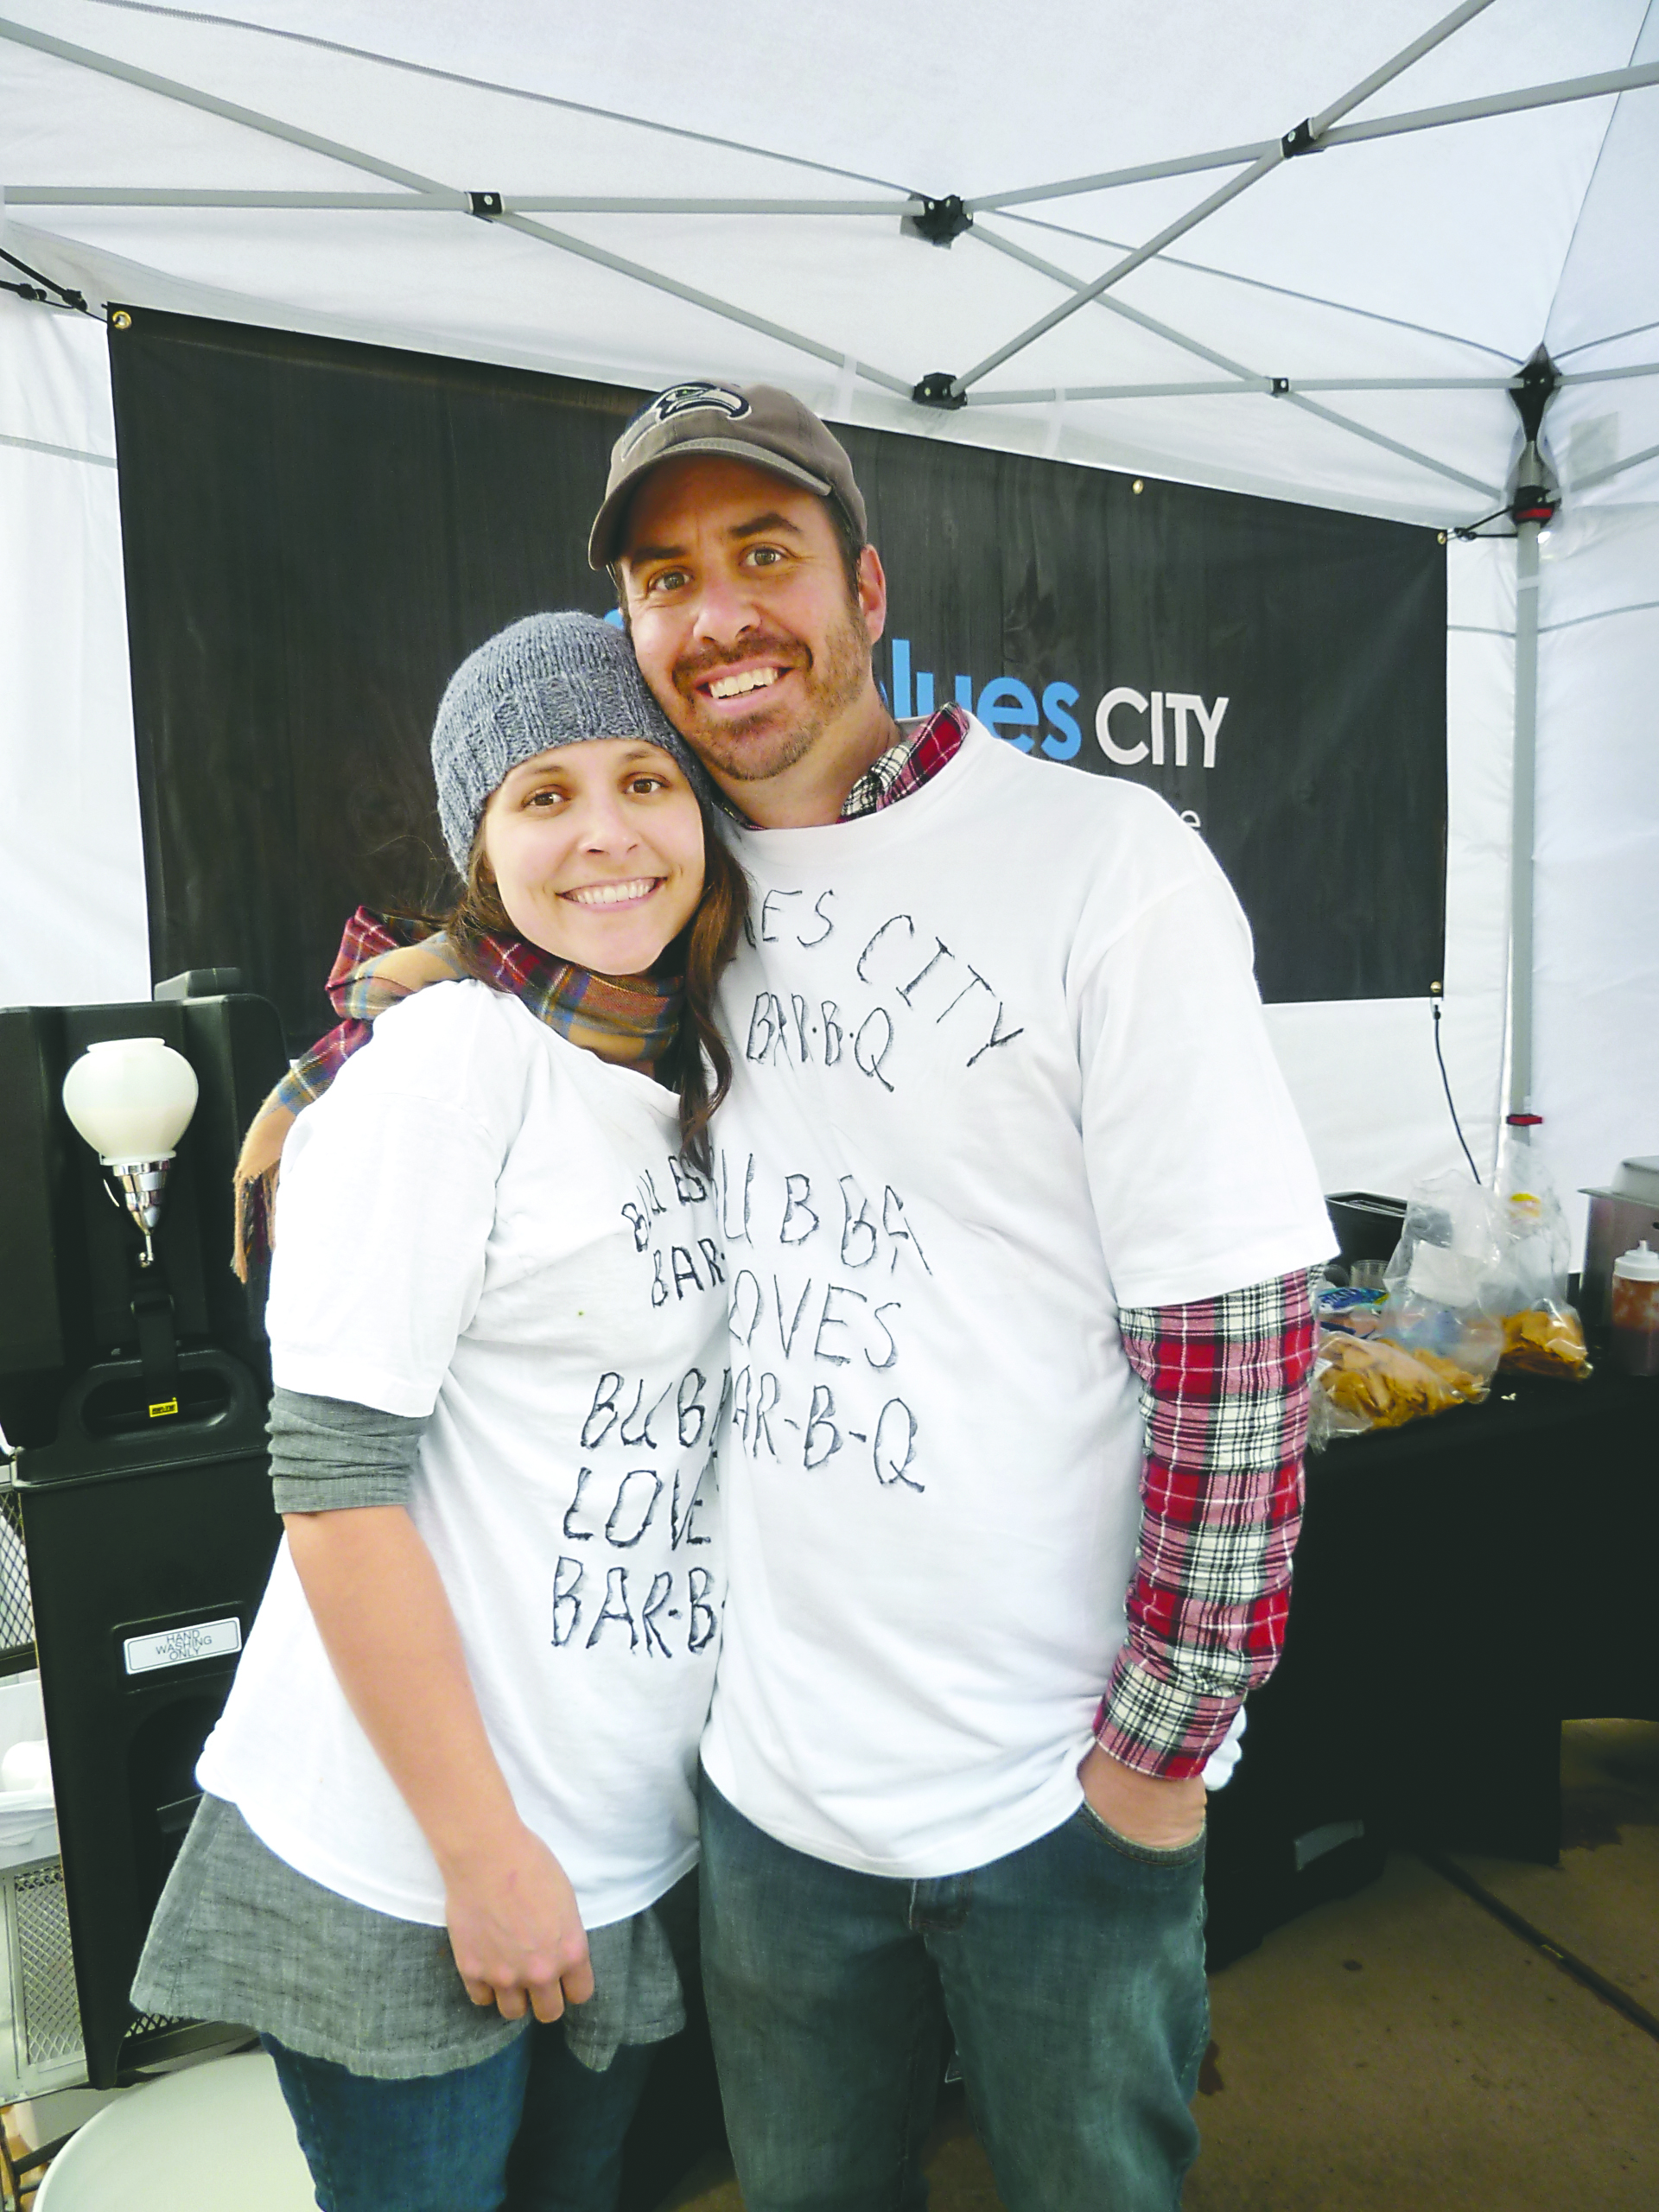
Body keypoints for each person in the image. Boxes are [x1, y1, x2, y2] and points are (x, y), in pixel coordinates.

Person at [587, 383, 1336, 2211]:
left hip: (1053, 1798)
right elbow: (485, 951)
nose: (721, 615)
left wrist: (1159, 1755)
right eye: (668, 577)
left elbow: (1238, 1338)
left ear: (867, 587)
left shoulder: (1105, 863)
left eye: (767, 555)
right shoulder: (668, 883)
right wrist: (314, 1071)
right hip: (775, 1798)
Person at [132, 613, 748, 2212]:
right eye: (543, 796)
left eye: (642, 779)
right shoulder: (448, 1067)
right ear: (478, 843)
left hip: (616, 1832)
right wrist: (482, 1860)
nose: (606, 833)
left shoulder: (689, 1067)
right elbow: (332, 1493)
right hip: (422, 1851)